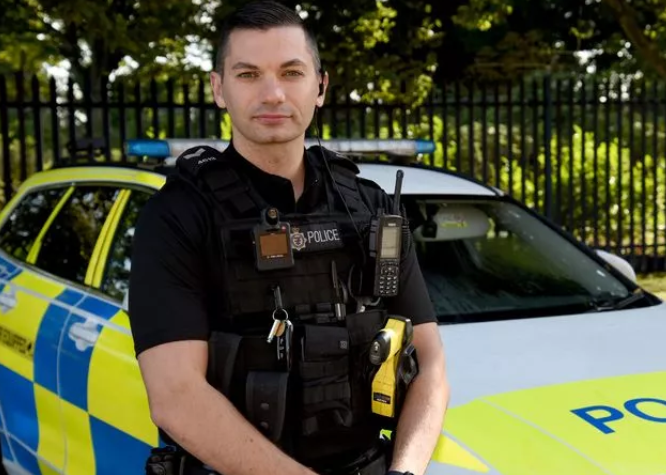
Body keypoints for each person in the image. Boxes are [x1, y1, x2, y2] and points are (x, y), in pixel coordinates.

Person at [127, 1, 450, 474]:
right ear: (219, 89)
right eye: (248, 74)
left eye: (292, 72)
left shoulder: (373, 206)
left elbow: (430, 362)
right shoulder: (176, 216)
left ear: (320, 87)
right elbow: (176, 397)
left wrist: (404, 471)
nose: (273, 93)